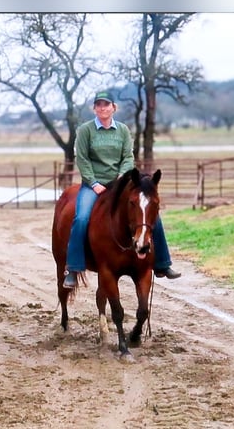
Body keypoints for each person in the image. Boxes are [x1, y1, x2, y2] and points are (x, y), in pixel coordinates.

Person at [63, 90, 181, 289]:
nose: (102, 108)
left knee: (152, 215)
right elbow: (82, 159)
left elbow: (128, 157)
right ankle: (74, 268)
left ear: (113, 108)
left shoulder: (123, 130)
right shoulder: (86, 130)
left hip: (119, 183)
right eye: (98, 105)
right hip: (94, 185)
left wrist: (122, 175)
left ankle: (162, 264)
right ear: (94, 108)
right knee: (81, 217)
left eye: (106, 104)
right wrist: (93, 183)